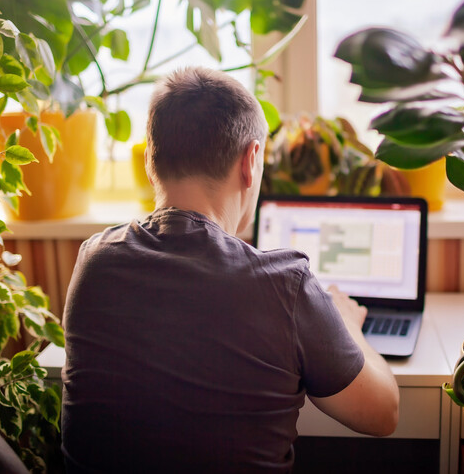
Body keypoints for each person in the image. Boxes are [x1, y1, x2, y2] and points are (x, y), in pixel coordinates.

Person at [60, 67, 399, 473]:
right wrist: (350, 327)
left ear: (152, 158)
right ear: (251, 161)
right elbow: (383, 415)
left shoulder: (93, 261)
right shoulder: (284, 284)